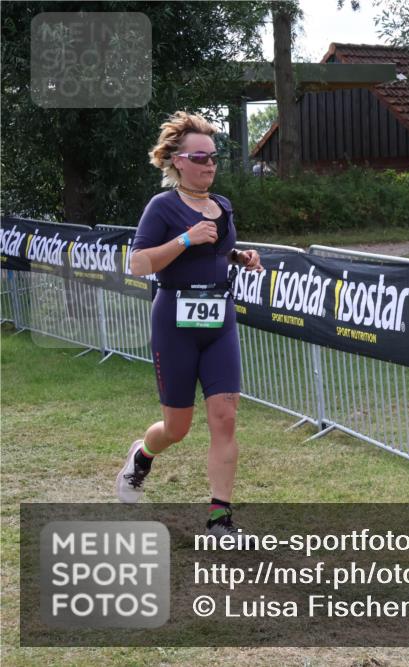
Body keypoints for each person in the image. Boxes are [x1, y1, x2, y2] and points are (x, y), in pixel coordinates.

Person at [116, 111, 263, 537]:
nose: (210, 164)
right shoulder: (162, 207)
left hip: (219, 320)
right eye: (200, 158)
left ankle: (220, 518)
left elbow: (217, 251)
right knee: (176, 428)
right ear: (178, 161)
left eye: (214, 157)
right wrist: (185, 238)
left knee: (225, 416)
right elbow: (139, 263)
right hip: (174, 323)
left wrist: (241, 257)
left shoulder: (223, 207)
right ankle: (142, 455)